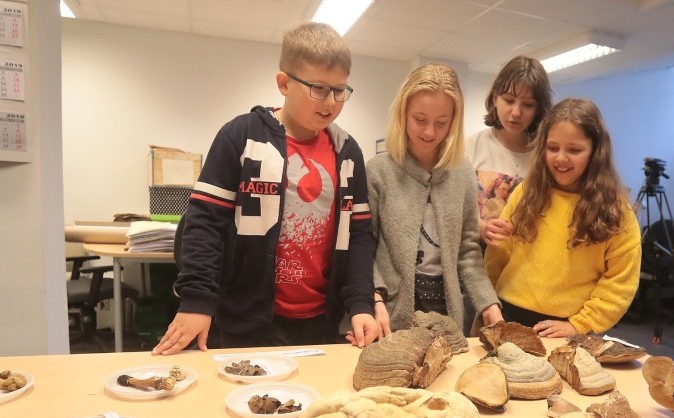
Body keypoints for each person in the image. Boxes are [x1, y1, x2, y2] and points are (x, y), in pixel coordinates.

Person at [152, 22, 378, 355]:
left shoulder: (348, 152)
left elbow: (358, 236)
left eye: (340, 90)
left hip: (318, 322)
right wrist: (197, 300)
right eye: (318, 88)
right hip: (246, 320)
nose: (331, 101)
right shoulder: (240, 136)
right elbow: (204, 223)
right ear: (284, 83)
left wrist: (361, 302)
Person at [361, 63, 503, 339]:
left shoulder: (461, 171)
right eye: (419, 119)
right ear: (403, 113)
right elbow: (366, 247)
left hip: (446, 308)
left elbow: (468, 250)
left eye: (441, 122)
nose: (429, 131)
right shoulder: (379, 170)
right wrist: (375, 297)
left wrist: (489, 304)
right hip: (392, 308)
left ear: (454, 121)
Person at [484, 98, 642, 338]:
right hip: (507, 315)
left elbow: (620, 281)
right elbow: (498, 254)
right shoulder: (526, 193)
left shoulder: (616, 212)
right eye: (553, 147)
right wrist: (487, 303)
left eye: (575, 150)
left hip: (565, 330)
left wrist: (580, 324)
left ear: (596, 151)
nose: (560, 158)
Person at [465, 56, 553, 242]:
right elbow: (451, 209)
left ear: (538, 109)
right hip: (476, 260)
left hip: (524, 262)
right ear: (496, 98)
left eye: (527, 105)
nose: (516, 112)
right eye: (509, 100)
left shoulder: (545, 156)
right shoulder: (471, 147)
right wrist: (480, 228)